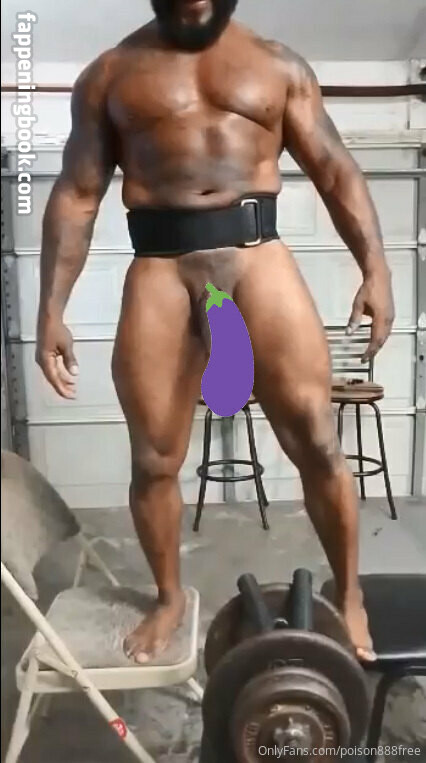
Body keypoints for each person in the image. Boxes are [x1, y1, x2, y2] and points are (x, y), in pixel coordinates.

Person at [36, 0, 395, 664]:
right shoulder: (109, 75)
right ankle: (169, 597)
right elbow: (78, 193)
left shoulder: (277, 65)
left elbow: (334, 168)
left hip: (258, 259)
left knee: (317, 437)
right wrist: (50, 308)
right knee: (153, 459)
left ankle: (349, 595)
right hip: (160, 269)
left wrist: (376, 269)